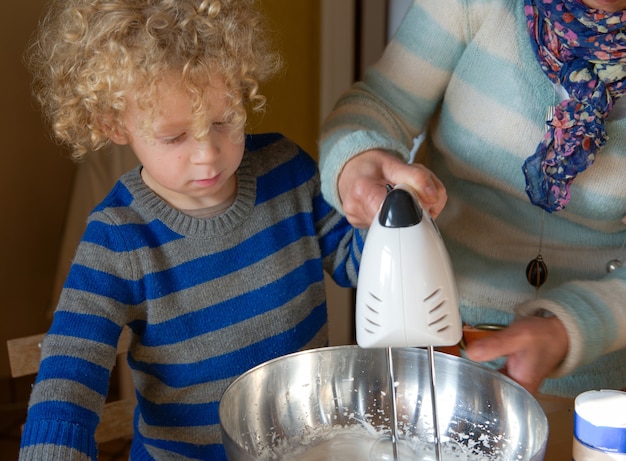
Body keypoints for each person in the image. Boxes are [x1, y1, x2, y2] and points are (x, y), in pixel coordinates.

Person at [20, 0, 364, 459]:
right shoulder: (118, 238)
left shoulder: (287, 172)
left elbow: (355, 263)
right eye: (174, 137)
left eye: (225, 121)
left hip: (304, 448)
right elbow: (69, 377)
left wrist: (382, 218)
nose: (208, 154)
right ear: (113, 123)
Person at [320, 0, 626, 456]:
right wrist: (359, 168)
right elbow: (379, 104)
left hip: (589, 395)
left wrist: (568, 328)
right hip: (429, 354)